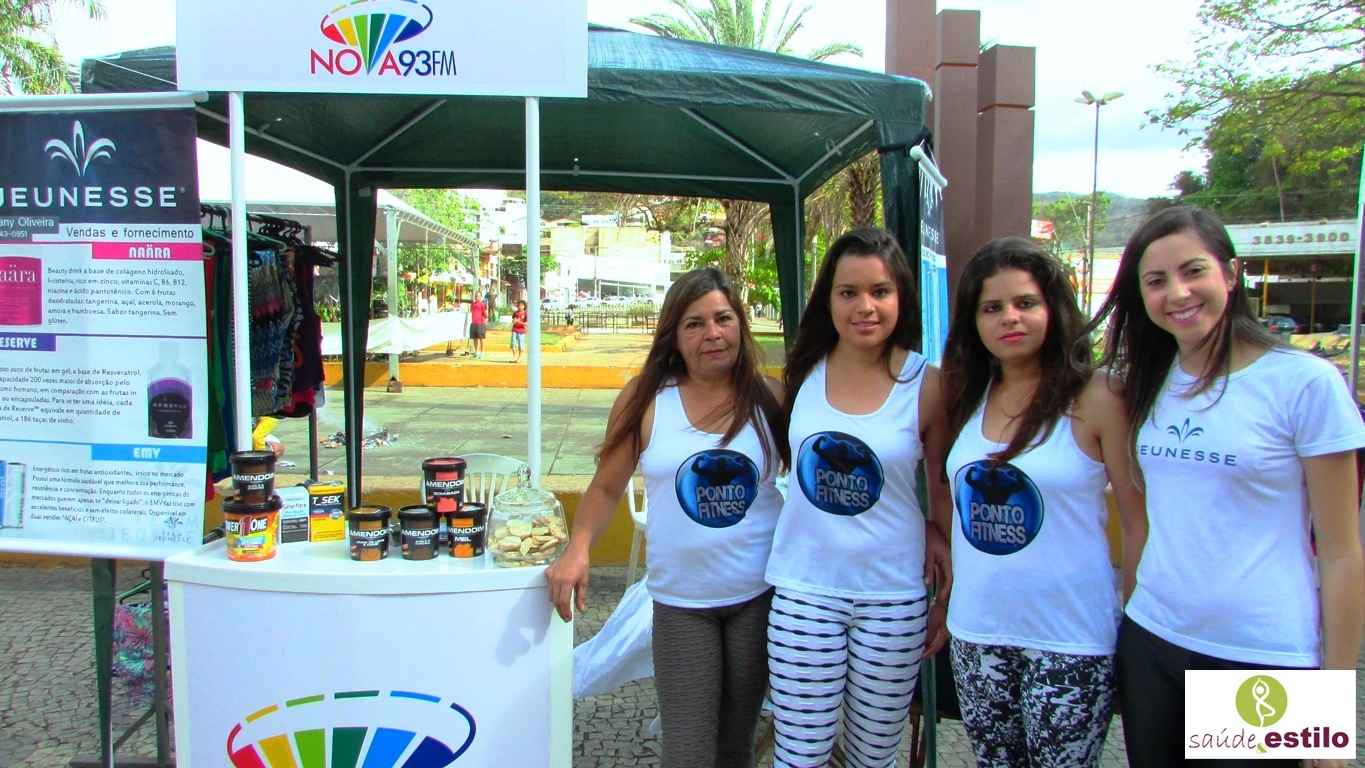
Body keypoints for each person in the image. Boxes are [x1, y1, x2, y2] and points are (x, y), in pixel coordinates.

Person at [1091, 206, 1365, 768]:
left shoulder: (1304, 383)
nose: (1178, 293)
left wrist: (1331, 709)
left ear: (1232, 274)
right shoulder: (1149, 382)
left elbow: (1341, 552)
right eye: (1156, 281)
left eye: (1193, 271)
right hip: (1152, 642)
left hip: (1259, 658)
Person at [546, 267, 787, 768]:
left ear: (741, 326)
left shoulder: (772, 398)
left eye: (723, 319)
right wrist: (578, 547)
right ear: (673, 337)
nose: (712, 334)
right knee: (688, 752)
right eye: (694, 324)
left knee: (735, 748)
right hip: (681, 605)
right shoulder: (646, 399)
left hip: (758, 599)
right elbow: (606, 487)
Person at [939, 237, 1145, 767]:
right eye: (992, 307)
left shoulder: (1100, 395)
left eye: (1025, 302)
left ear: (1053, 308)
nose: (1010, 317)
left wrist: (1137, 625)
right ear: (973, 322)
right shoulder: (965, 394)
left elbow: (1138, 523)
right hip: (977, 633)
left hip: (1071, 640)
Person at [765, 227, 953, 767]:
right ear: (828, 299)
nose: (864, 307)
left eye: (880, 291)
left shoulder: (927, 384)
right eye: (848, 292)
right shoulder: (803, 372)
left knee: (874, 758)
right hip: (805, 591)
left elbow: (941, 485)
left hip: (893, 597)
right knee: (800, 756)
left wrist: (944, 568)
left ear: (901, 298)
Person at [469, 290, 487, 359]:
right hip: (473, 323)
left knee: (482, 339)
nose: (477, 297)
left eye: (478, 296)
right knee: (475, 338)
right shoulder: (473, 304)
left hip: (480, 323)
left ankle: (482, 353)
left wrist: (483, 318)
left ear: (481, 297)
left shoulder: (482, 304)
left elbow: (485, 314)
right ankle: (477, 352)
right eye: (476, 296)